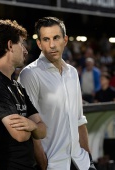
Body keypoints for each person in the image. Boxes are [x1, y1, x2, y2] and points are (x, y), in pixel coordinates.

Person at [18, 17, 96, 170]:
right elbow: (29, 126)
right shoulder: (30, 74)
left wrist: (88, 159)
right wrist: (43, 164)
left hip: (81, 162)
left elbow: (79, 120)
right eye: (46, 39)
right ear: (39, 43)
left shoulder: (72, 73)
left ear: (65, 40)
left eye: (56, 38)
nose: (52, 45)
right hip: (53, 164)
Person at [0, 19, 46, 170]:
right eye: (22, 44)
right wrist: (33, 126)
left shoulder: (17, 86)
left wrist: (31, 126)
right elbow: (20, 135)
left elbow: (43, 131)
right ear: (10, 45)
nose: (26, 50)